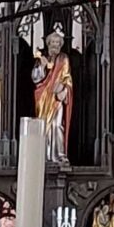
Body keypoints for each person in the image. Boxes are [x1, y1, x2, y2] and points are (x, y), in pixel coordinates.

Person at [32, 26, 74, 164]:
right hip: (43, 96)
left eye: (57, 43)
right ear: (48, 43)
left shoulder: (63, 58)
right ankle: (44, 154)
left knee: (57, 125)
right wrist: (42, 66)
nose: (55, 45)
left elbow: (67, 77)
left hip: (56, 97)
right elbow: (35, 78)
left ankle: (59, 154)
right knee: (44, 125)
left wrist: (64, 89)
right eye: (53, 42)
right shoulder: (42, 58)